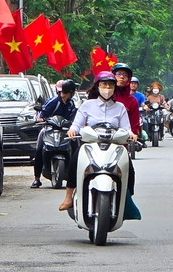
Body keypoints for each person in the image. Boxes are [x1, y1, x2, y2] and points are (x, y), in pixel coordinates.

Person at [58, 71, 137, 211]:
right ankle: (68, 196)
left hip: (114, 146)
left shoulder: (120, 108)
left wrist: (131, 135)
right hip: (91, 145)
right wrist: (72, 130)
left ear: (115, 88)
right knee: (75, 159)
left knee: (129, 168)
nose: (107, 88)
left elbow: (126, 128)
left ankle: (127, 201)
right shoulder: (87, 105)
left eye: (110, 85)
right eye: (104, 84)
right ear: (97, 86)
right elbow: (77, 124)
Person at [32, 79, 79, 188]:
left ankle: (75, 176)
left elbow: (74, 117)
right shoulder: (53, 102)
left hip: (65, 131)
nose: (63, 95)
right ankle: (37, 179)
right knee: (39, 149)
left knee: (76, 147)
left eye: (65, 93)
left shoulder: (71, 104)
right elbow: (42, 114)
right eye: (62, 92)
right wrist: (41, 119)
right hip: (48, 129)